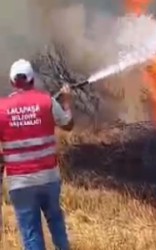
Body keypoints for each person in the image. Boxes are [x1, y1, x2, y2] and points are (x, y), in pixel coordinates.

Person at [0, 59, 73, 250]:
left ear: (12, 82)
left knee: (31, 233)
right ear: (32, 80)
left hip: (20, 184)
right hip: (48, 179)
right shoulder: (46, 101)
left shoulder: (1, 109)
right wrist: (66, 100)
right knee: (57, 225)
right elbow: (68, 124)